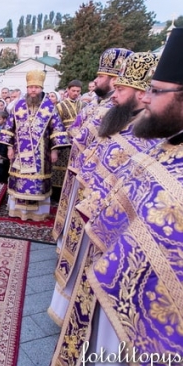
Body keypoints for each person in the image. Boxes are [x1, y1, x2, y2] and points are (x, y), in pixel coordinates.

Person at [47, 29, 183, 366]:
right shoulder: (177, 139)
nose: (146, 100)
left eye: (156, 91)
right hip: (114, 296)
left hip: (161, 334)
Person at [48, 52, 160, 327]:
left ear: (141, 93)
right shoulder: (117, 117)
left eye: (121, 89)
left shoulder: (152, 130)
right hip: (91, 206)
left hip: (118, 225)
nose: (114, 95)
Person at [51, 48, 133, 247]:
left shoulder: (114, 109)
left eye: (101, 76)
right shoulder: (96, 103)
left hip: (97, 182)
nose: (95, 81)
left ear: (114, 79)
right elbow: (77, 130)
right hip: (81, 170)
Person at [0, 70, 70, 221]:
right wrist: (9, 147)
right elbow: (8, 128)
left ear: (41, 88)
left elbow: (57, 129)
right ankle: (18, 212)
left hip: (41, 154)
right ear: (27, 88)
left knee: (37, 182)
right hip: (19, 152)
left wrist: (55, 151)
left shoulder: (49, 107)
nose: (33, 90)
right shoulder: (18, 106)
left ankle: (37, 214)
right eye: (31, 87)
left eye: (36, 87)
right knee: (20, 181)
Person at [51, 80, 84, 201]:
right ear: (68, 90)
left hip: (79, 143)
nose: (75, 93)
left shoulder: (84, 106)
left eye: (78, 91)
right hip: (64, 143)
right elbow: (55, 125)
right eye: (73, 90)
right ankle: (57, 196)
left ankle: (72, 194)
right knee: (61, 168)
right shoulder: (59, 106)